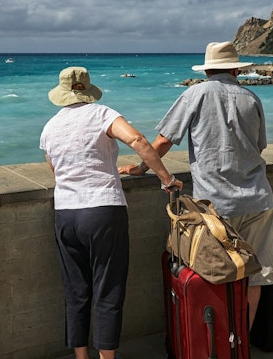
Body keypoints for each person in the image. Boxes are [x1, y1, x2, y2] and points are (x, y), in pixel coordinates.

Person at [119, 41, 273, 330]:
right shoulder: (251, 98)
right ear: (236, 69)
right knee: (256, 276)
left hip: (215, 206)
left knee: (214, 274)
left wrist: (142, 167)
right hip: (258, 200)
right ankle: (241, 342)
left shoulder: (195, 94)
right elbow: (259, 147)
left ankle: (217, 342)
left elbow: (164, 140)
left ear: (206, 70)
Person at [40, 66, 183, 359]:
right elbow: (139, 141)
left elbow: (56, 170)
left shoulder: (50, 128)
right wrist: (165, 178)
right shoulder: (102, 114)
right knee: (108, 290)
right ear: (87, 90)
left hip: (66, 214)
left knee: (76, 291)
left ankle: (81, 357)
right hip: (103, 211)